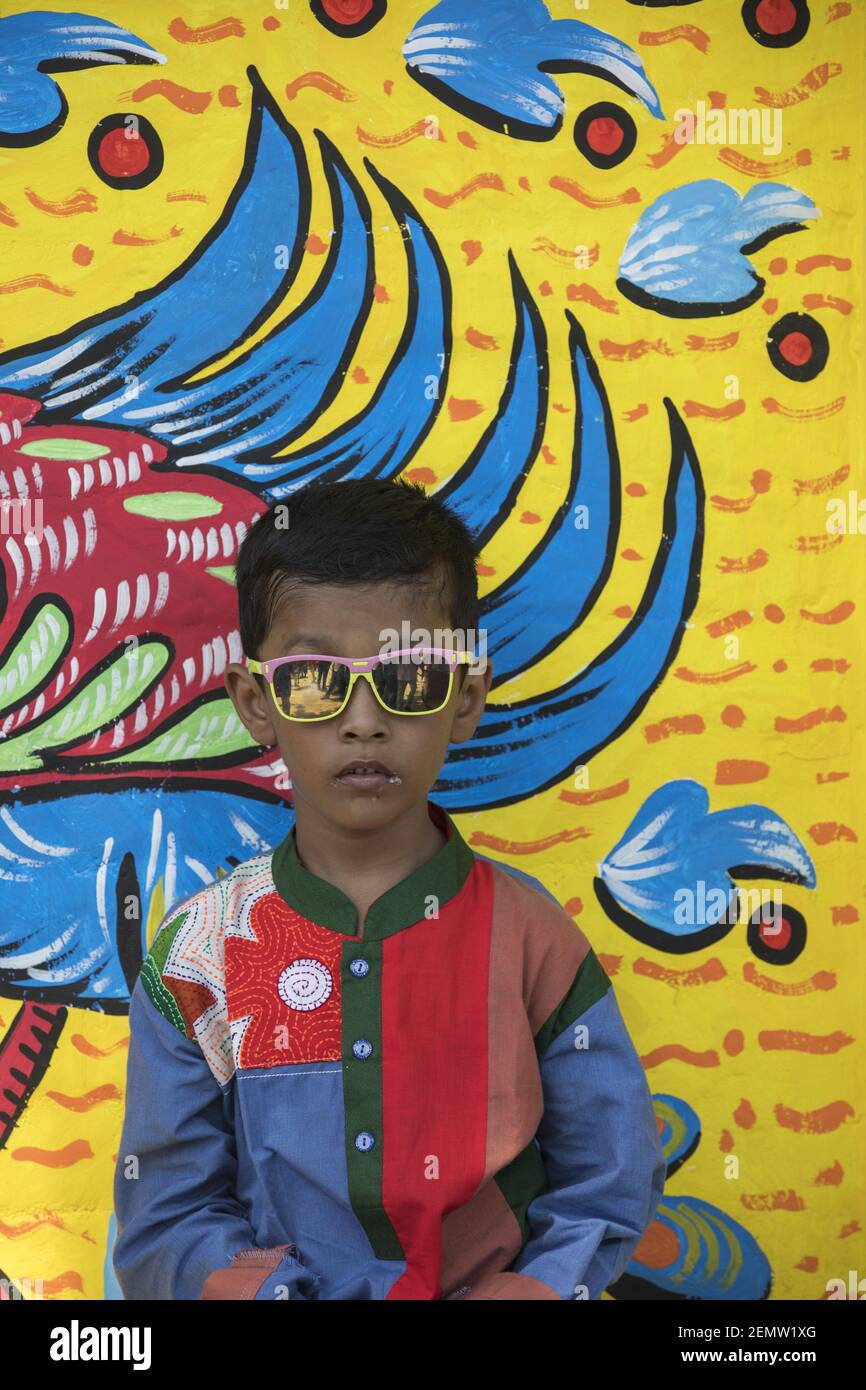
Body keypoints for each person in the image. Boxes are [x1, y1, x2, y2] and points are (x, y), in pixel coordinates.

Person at [112, 477, 665, 1301]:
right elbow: (167, 1216)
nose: (363, 718)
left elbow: (608, 1183)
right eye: (313, 679)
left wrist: (538, 1291)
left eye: (409, 678)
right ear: (256, 703)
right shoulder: (199, 957)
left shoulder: (533, 939)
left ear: (467, 697)